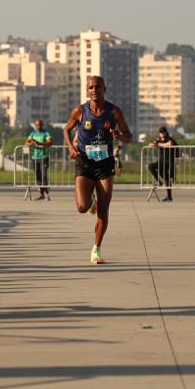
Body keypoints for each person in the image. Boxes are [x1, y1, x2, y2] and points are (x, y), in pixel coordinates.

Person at [64, 75, 132, 264]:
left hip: (105, 164)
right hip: (85, 162)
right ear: (87, 91)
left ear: (105, 89)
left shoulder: (114, 112)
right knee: (82, 207)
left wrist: (119, 135)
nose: (95, 90)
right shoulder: (80, 111)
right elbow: (66, 129)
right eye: (91, 87)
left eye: (98, 87)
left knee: (104, 211)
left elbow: (129, 137)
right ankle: (90, 199)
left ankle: (96, 249)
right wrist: (71, 148)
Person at [148, 126, 179, 202]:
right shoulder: (158, 139)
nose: (161, 134)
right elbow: (150, 144)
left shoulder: (168, 138)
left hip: (168, 161)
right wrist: (153, 144)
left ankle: (169, 196)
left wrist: (159, 145)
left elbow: (170, 144)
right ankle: (159, 182)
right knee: (151, 166)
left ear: (165, 132)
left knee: (166, 178)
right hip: (161, 161)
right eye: (160, 132)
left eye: (163, 132)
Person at [26, 119, 53, 200]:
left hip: (44, 157)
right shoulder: (33, 133)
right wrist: (32, 143)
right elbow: (27, 143)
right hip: (34, 157)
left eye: (40, 125)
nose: (38, 126)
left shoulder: (46, 133)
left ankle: (47, 193)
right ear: (35, 125)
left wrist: (41, 144)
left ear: (42, 125)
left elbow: (50, 142)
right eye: (37, 125)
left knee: (44, 175)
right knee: (38, 176)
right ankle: (41, 194)